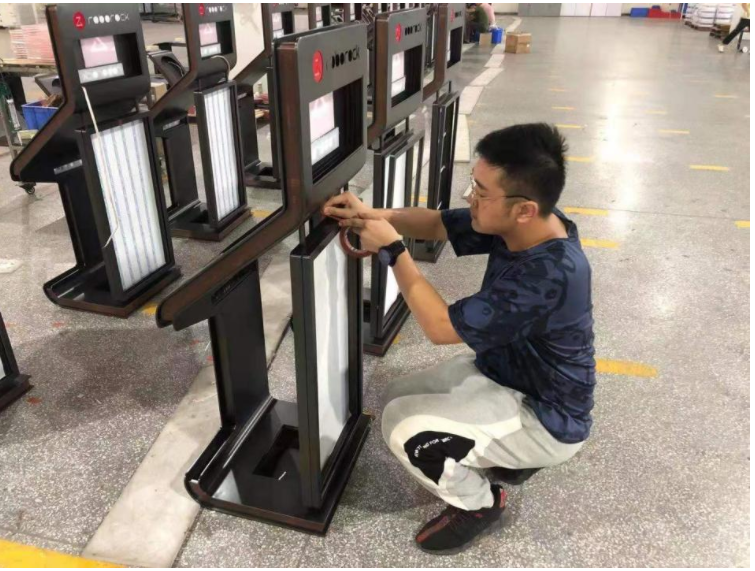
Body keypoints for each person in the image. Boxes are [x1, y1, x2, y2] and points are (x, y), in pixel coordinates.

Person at [322, 123, 596, 555]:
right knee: (396, 395)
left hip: (547, 416)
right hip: (505, 374)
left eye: (481, 192)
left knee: (405, 428)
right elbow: (436, 223)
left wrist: (393, 251)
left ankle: (480, 505)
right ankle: (507, 457)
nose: (470, 198)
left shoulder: (551, 274)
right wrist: (373, 216)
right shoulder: (533, 222)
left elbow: (439, 327)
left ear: (524, 209)